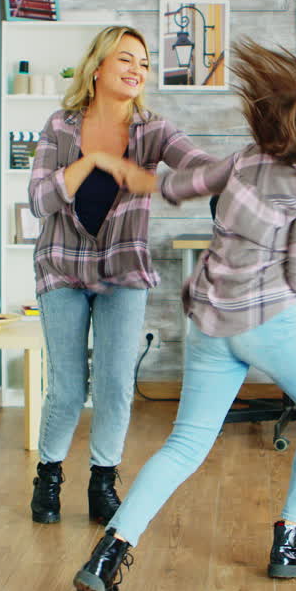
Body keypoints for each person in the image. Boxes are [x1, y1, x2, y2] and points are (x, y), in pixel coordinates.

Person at [72, 40, 296, 591]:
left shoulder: (247, 158)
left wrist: (116, 167)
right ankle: (289, 539)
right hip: (270, 320)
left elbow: (175, 186)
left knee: (187, 444)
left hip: (210, 321)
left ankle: (109, 554)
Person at [27, 26, 214, 526]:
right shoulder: (60, 127)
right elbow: (39, 200)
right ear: (98, 66)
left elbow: (197, 164)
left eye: (145, 63)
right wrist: (93, 160)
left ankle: (102, 480)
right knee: (68, 387)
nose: (138, 70)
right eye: (126, 59)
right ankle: (48, 476)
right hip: (62, 267)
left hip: (123, 269)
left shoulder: (153, 130)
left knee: (114, 384)